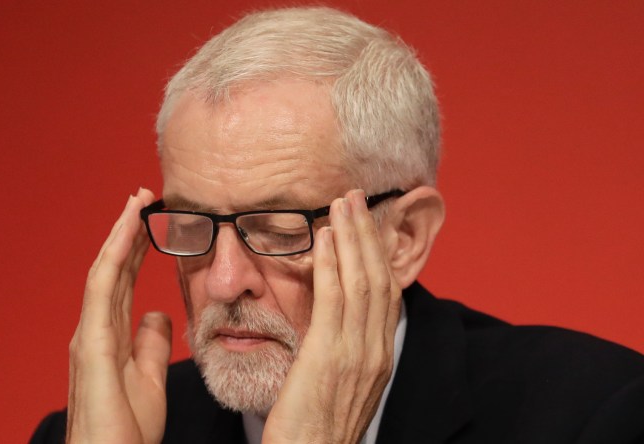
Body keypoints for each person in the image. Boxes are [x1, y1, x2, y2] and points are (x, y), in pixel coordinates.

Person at [31, 6, 644, 444]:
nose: (221, 282)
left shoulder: (600, 415)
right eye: (193, 222)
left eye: (277, 227)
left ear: (403, 238)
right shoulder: (99, 433)